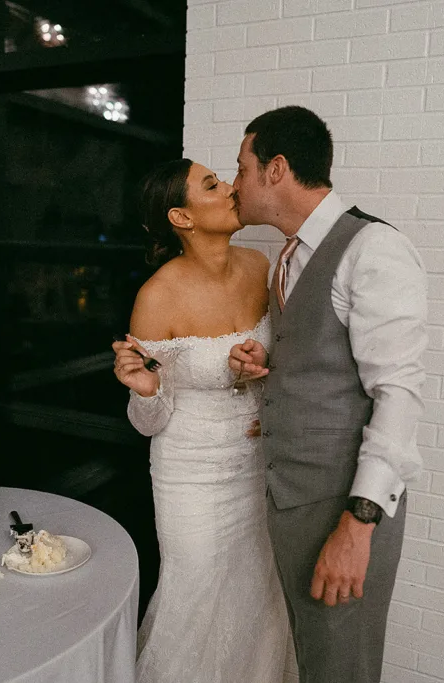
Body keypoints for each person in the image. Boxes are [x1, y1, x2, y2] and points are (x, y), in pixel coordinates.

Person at [228, 106, 428, 683]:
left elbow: (398, 395)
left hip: (342, 510)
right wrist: (273, 363)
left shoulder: (374, 249)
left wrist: (357, 525)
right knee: (315, 663)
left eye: (242, 167)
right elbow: (325, 355)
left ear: (276, 169)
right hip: (292, 504)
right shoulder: (289, 256)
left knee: (344, 669)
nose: (236, 181)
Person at [112, 158, 289, 683]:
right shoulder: (157, 296)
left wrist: (261, 371)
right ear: (181, 218)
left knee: (259, 594)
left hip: (260, 467)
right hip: (191, 474)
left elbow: (286, 364)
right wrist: (146, 390)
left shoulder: (261, 266)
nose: (233, 188)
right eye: (212, 185)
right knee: (195, 597)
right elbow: (150, 419)